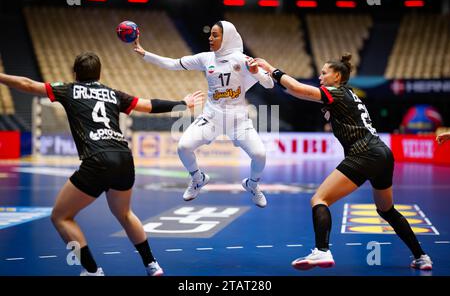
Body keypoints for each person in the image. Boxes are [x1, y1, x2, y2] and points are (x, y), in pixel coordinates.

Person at [0, 52, 204, 276]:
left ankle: (92, 271)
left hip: (97, 159)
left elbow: (28, 84)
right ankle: (152, 264)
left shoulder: (68, 90)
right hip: (124, 158)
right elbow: (148, 105)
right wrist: (182, 103)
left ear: (75, 73)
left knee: (60, 217)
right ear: (99, 74)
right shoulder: (112, 93)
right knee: (125, 214)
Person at [254, 53, 433, 271]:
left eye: (324, 73)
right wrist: (266, 77)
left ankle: (321, 251)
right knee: (387, 210)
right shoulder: (347, 93)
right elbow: (295, 91)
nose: (320, 77)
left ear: (337, 76)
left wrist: (270, 67)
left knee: (319, 199)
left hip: (363, 153)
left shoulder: (336, 93)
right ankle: (422, 257)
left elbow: (299, 89)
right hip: (383, 154)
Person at [133, 21, 274, 207]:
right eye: (211, 34)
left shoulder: (243, 60)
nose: (210, 38)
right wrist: (145, 54)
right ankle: (198, 178)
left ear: (227, 38)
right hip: (211, 118)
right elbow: (173, 64)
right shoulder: (205, 58)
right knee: (183, 147)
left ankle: (252, 185)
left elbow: (269, 84)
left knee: (260, 155)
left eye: (215, 35)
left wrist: (256, 72)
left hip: (238, 122)